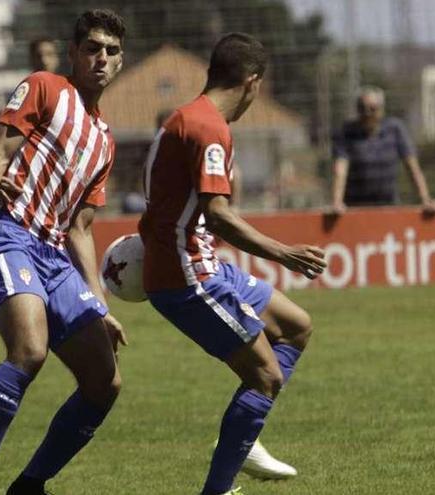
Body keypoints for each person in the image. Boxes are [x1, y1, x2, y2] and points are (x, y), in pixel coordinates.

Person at [138, 33, 327, 495]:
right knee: (265, 376)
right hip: (187, 275)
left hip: (199, 262)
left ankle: (247, 434)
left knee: (296, 325)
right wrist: (286, 254)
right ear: (252, 81)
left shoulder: (186, 118)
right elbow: (219, 214)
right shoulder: (209, 128)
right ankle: (218, 487)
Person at [0, 9, 127, 495]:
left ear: (120, 63)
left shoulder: (105, 141)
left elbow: (81, 229)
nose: (101, 58)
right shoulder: (45, 87)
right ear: (74, 53)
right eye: (92, 48)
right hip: (9, 233)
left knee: (104, 382)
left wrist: (99, 303)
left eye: (111, 52)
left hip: (54, 255)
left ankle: (29, 485)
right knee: (29, 351)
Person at [330, 85, 435, 215]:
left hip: (389, 206)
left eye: (372, 109)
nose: (367, 113)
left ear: (382, 109)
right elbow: (340, 170)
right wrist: (337, 202)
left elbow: (412, 167)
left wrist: (425, 199)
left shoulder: (395, 129)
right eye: (362, 108)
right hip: (355, 208)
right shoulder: (345, 132)